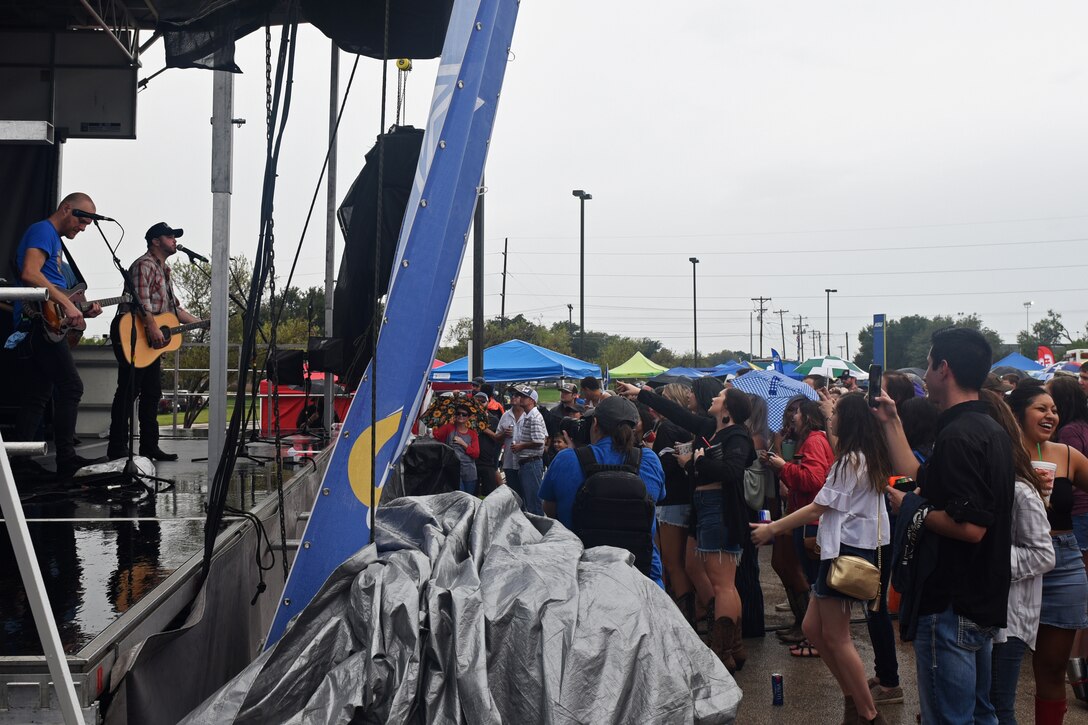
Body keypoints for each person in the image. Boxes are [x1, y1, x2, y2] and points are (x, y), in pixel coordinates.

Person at [877, 326, 1014, 724]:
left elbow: (971, 527)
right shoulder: (989, 429)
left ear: (944, 369)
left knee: (949, 717)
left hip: (951, 601)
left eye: (929, 362)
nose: (924, 371)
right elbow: (923, 477)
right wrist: (890, 420)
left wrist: (910, 507)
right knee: (980, 714)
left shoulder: (959, 435)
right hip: (980, 598)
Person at [753, 392, 894, 725]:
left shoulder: (850, 460)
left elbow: (819, 506)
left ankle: (867, 713)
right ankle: (855, 702)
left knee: (835, 636)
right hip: (851, 547)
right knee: (812, 628)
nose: (830, 420)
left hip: (846, 550)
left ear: (848, 422)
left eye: (835, 416)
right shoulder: (866, 456)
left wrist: (772, 529)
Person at [1006, 384, 1088, 723]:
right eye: (1041, 408)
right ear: (1017, 413)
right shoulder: (1002, 452)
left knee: (1052, 670)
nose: (1050, 415)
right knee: (1001, 669)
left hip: (1065, 562)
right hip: (1014, 562)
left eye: (1053, 409)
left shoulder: (1066, 455)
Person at [13, 192, 105, 477]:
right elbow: (30, 273)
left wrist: (77, 309)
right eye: (81, 220)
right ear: (66, 209)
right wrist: (66, 304)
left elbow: (51, 284)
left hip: (46, 322)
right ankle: (66, 458)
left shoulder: (54, 242)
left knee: (38, 394)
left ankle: (20, 460)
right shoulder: (43, 230)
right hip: (40, 323)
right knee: (71, 387)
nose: (83, 227)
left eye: (89, 223)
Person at [981, 390, 1055, 725]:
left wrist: (987, 556)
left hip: (1009, 621)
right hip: (984, 612)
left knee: (998, 706)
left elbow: (1043, 555)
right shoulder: (986, 481)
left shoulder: (1020, 490)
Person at [539, 395, 667, 584]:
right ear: (634, 427)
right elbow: (657, 499)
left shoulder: (566, 459)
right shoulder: (649, 459)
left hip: (580, 573)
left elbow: (550, 511)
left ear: (595, 423)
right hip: (641, 573)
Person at [107, 222, 201, 462]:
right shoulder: (143, 265)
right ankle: (117, 448)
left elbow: (173, 309)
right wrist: (151, 327)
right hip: (134, 335)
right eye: (169, 237)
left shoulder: (164, 270)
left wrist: (203, 322)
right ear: (155, 241)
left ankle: (150, 446)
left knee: (151, 394)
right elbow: (141, 303)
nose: (174, 241)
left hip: (151, 341)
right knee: (128, 392)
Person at [762, 399, 834, 652]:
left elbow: (813, 481)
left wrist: (784, 468)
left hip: (810, 521)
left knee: (812, 580)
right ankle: (807, 630)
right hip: (804, 516)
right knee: (805, 576)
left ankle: (813, 636)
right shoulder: (808, 439)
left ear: (809, 416)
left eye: (797, 412)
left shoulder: (814, 440)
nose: (792, 417)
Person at [1047, 376, 1088, 663]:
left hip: (1076, 515)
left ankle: (1075, 658)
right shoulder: (1082, 426)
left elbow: (1068, 473)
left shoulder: (1070, 433)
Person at [646, 383, 696, 619]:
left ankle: (685, 616)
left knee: (671, 561)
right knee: (681, 562)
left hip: (671, 500)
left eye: (664, 398)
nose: (659, 402)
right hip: (685, 496)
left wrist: (650, 453)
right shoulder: (688, 426)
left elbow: (664, 466)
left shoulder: (668, 427)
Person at [510, 384, 547, 515]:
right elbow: (544, 437)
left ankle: (540, 531)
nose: (520, 398)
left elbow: (539, 441)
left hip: (531, 463)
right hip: (529, 463)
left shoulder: (534, 417)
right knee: (530, 502)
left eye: (524, 396)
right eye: (520, 396)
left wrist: (521, 446)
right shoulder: (530, 415)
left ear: (532, 400)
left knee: (534, 503)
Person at [431, 402, 480, 494]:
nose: (460, 416)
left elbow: (476, 454)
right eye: (458, 413)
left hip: (469, 472)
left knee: (470, 499)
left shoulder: (472, 434)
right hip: (453, 470)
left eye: (464, 414)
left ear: (468, 418)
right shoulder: (448, 428)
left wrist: (463, 444)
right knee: (460, 497)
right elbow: (434, 437)